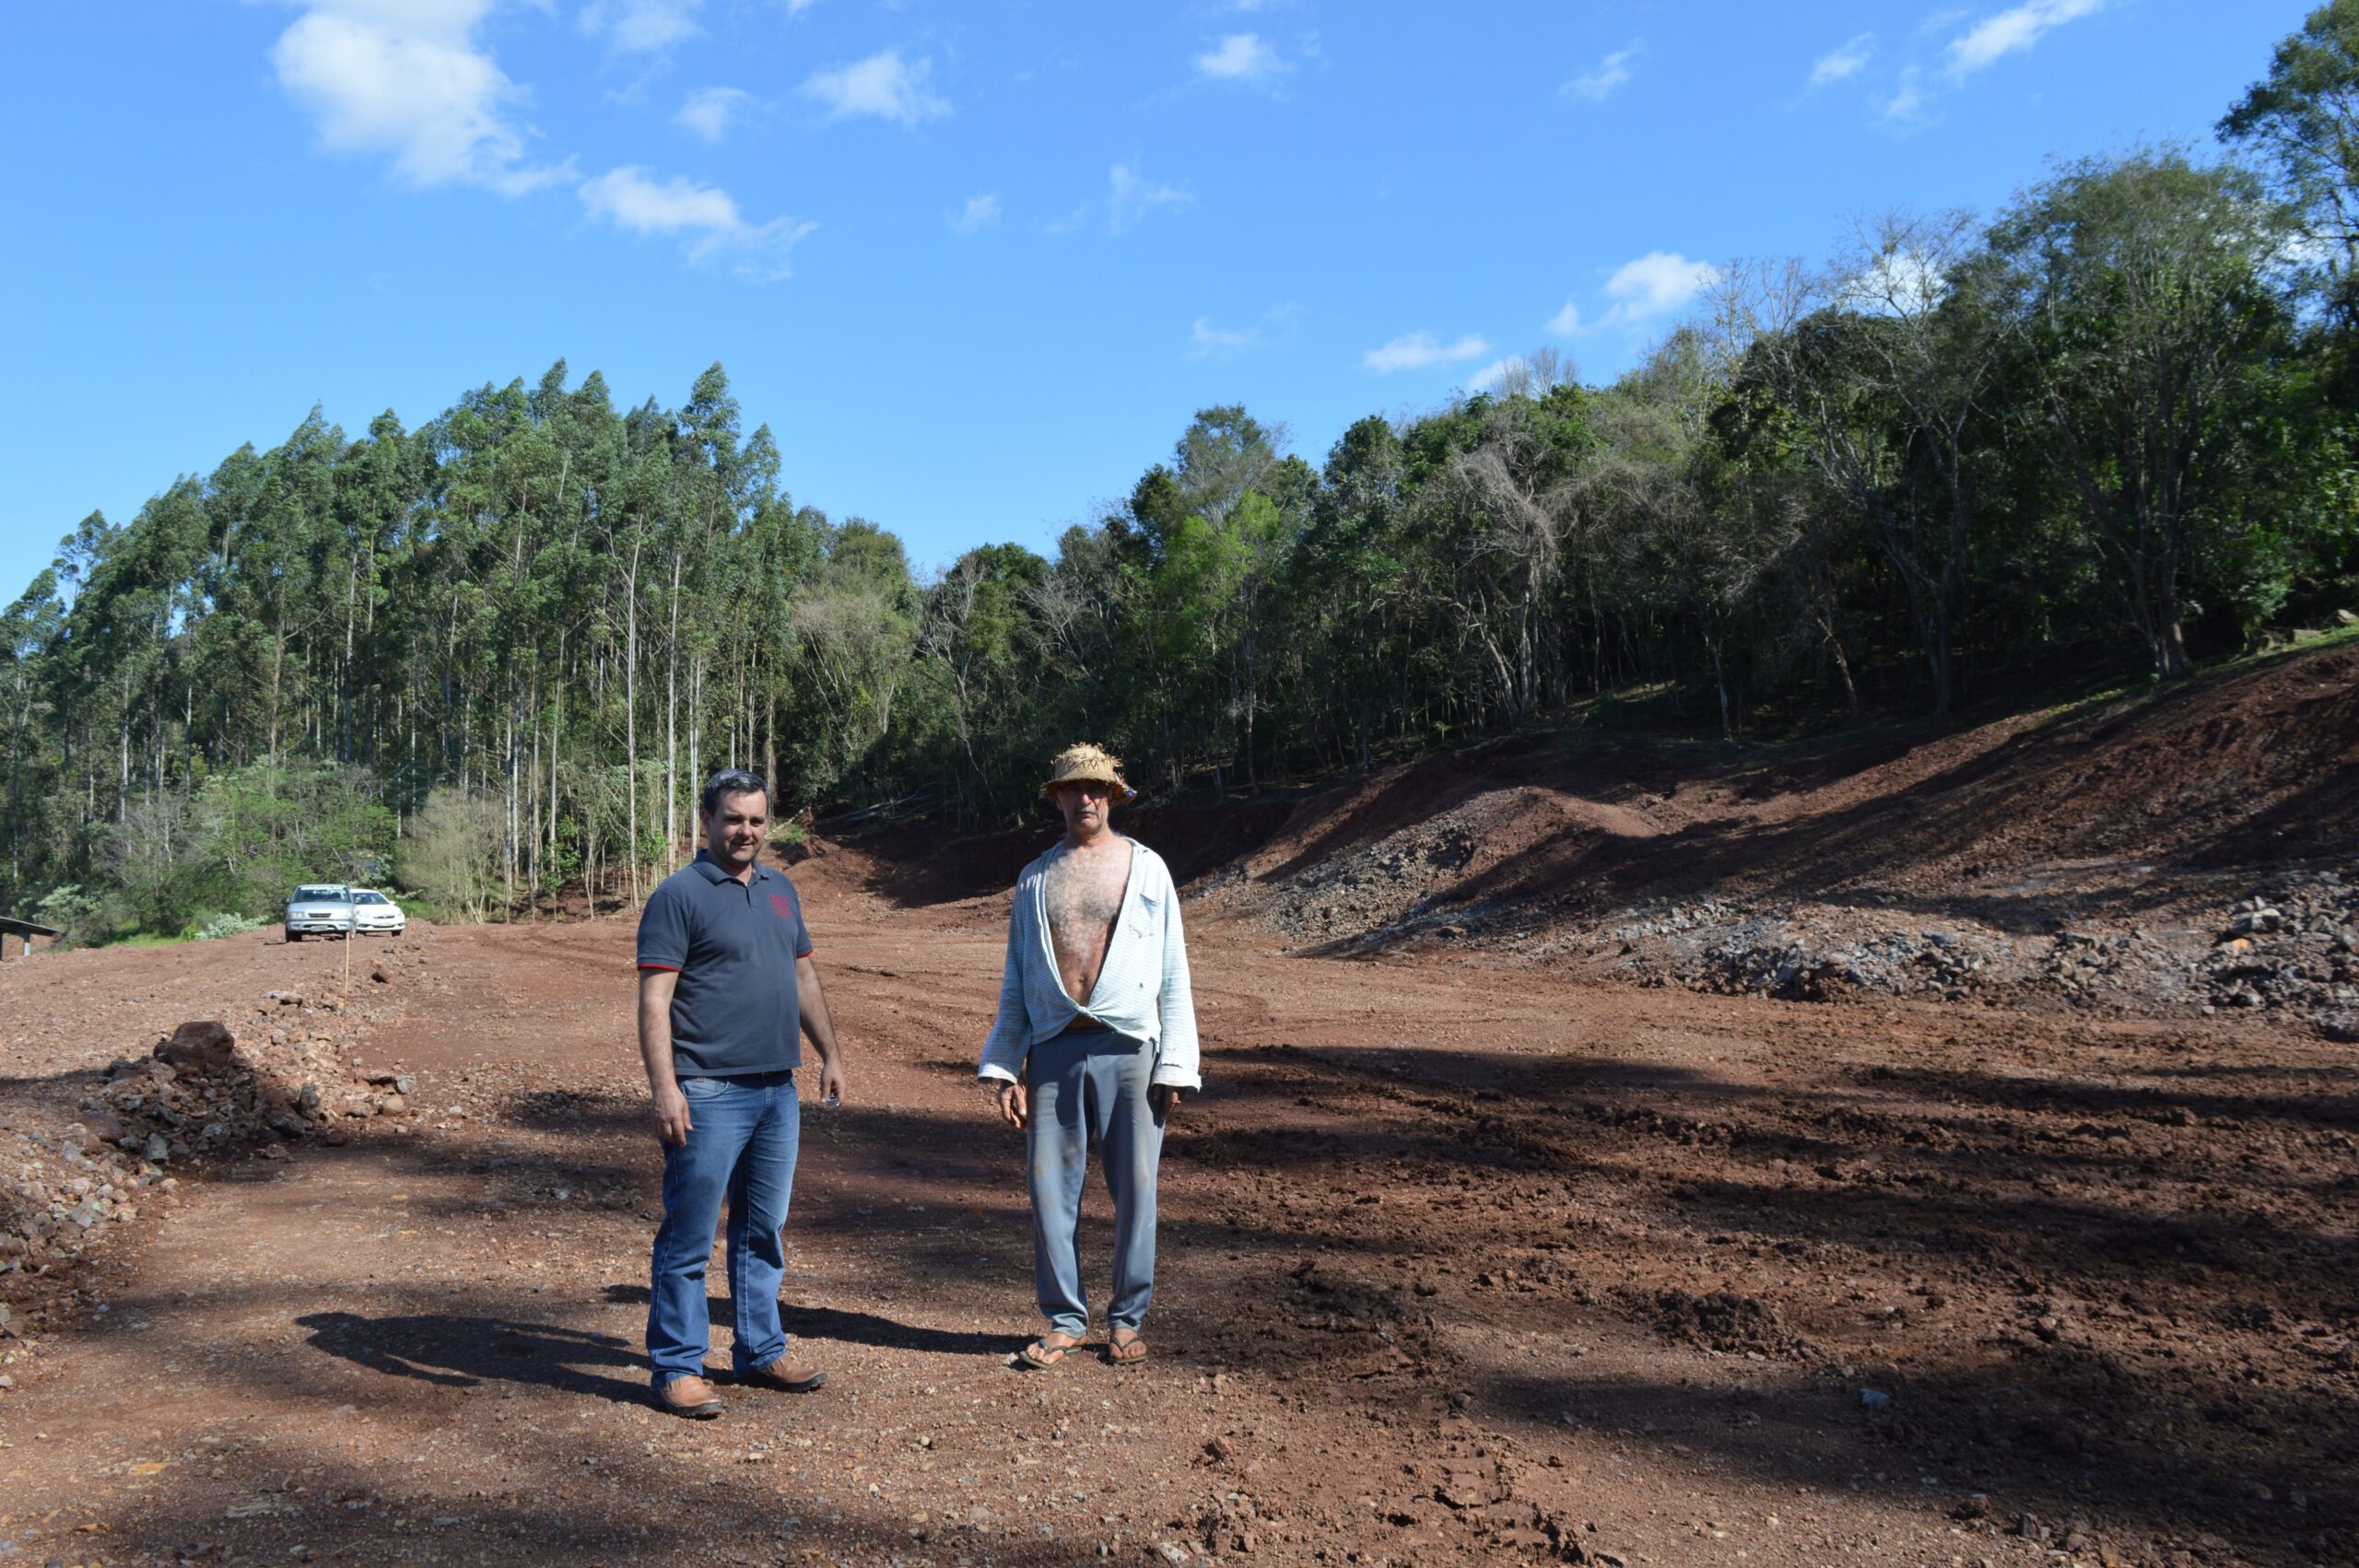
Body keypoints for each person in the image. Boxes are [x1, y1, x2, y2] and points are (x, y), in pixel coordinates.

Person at [979, 743, 1200, 1369]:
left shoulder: (1147, 869)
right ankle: (1064, 1318)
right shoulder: (1035, 877)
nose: (1085, 799)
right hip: (1054, 1048)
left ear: (1113, 797)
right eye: (1073, 789)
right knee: (1049, 1189)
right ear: (1057, 797)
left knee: (1137, 1189)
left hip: (1131, 1048)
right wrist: (1005, 1067)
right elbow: (1017, 980)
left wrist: (1176, 1062)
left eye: (1097, 789)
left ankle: (1127, 1321)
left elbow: (1172, 969)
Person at [636, 767, 848, 1417]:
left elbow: (804, 976)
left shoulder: (782, 891)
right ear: (707, 821)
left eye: (756, 820)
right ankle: (676, 1366)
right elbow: (654, 999)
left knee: (763, 1231)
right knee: (690, 1237)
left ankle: (760, 1350)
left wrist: (831, 1053)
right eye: (733, 819)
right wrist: (666, 1088)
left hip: (776, 1091)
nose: (746, 831)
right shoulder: (679, 895)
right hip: (707, 1091)